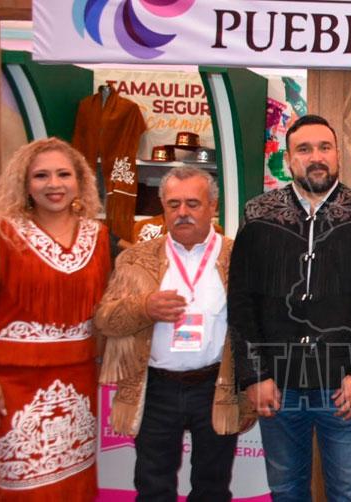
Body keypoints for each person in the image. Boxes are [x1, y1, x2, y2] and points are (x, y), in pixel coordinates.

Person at [229, 114, 351, 502]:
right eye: (304, 149)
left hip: (344, 385)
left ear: (338, 154)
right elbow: (241, 300)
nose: (316, 157)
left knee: (349, 493)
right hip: (277, 383)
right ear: (288, 159)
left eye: (324, 147)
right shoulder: (258, 214)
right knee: (286, 490)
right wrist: (255, 374)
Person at [95, 166, 253, 501]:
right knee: (153, 486)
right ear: (163, 208)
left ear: (212, 206)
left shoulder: (239, 256)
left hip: (217, 386)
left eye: (193, 204)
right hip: (155, 389)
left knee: (212, 488)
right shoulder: (135, 259)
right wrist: (144, 308)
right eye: (173, 204)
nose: (182, 212)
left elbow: (259, 323)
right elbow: (105, 320)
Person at [0, 138, 110, 500]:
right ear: (24, 183)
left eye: (63, 174)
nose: (54, 184)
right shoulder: (1, 232)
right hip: (14, 382)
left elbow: (104, 312)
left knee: (74, 479)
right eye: (41, 175)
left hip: (79, 380)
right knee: (21, 483)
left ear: (80, 180)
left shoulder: (98, 235)